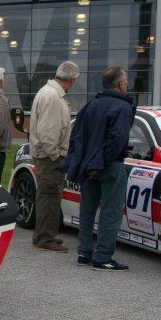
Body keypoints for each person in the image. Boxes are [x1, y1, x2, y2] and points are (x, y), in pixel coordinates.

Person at [64, 66, 134, 271]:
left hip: (88, 167)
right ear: (120, 84)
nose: (127, 84)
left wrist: (86, 164)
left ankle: (84, 253)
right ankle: (102, 257)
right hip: (109, 166)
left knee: (87, 211)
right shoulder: (122, 107)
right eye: (126, 81)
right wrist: (99, 163)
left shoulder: (91, 105)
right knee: (110, 212)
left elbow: (77, 136)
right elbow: (117, 140)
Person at [29, 60, 80, 252]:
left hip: (46, 154)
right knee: (49, 197)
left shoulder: (49, 93)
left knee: (47, 196)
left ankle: (44, 234)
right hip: (49, 156)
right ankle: (44, 238)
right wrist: (56, 156)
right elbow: (48, 132)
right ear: (72, 80)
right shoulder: (52, 96)